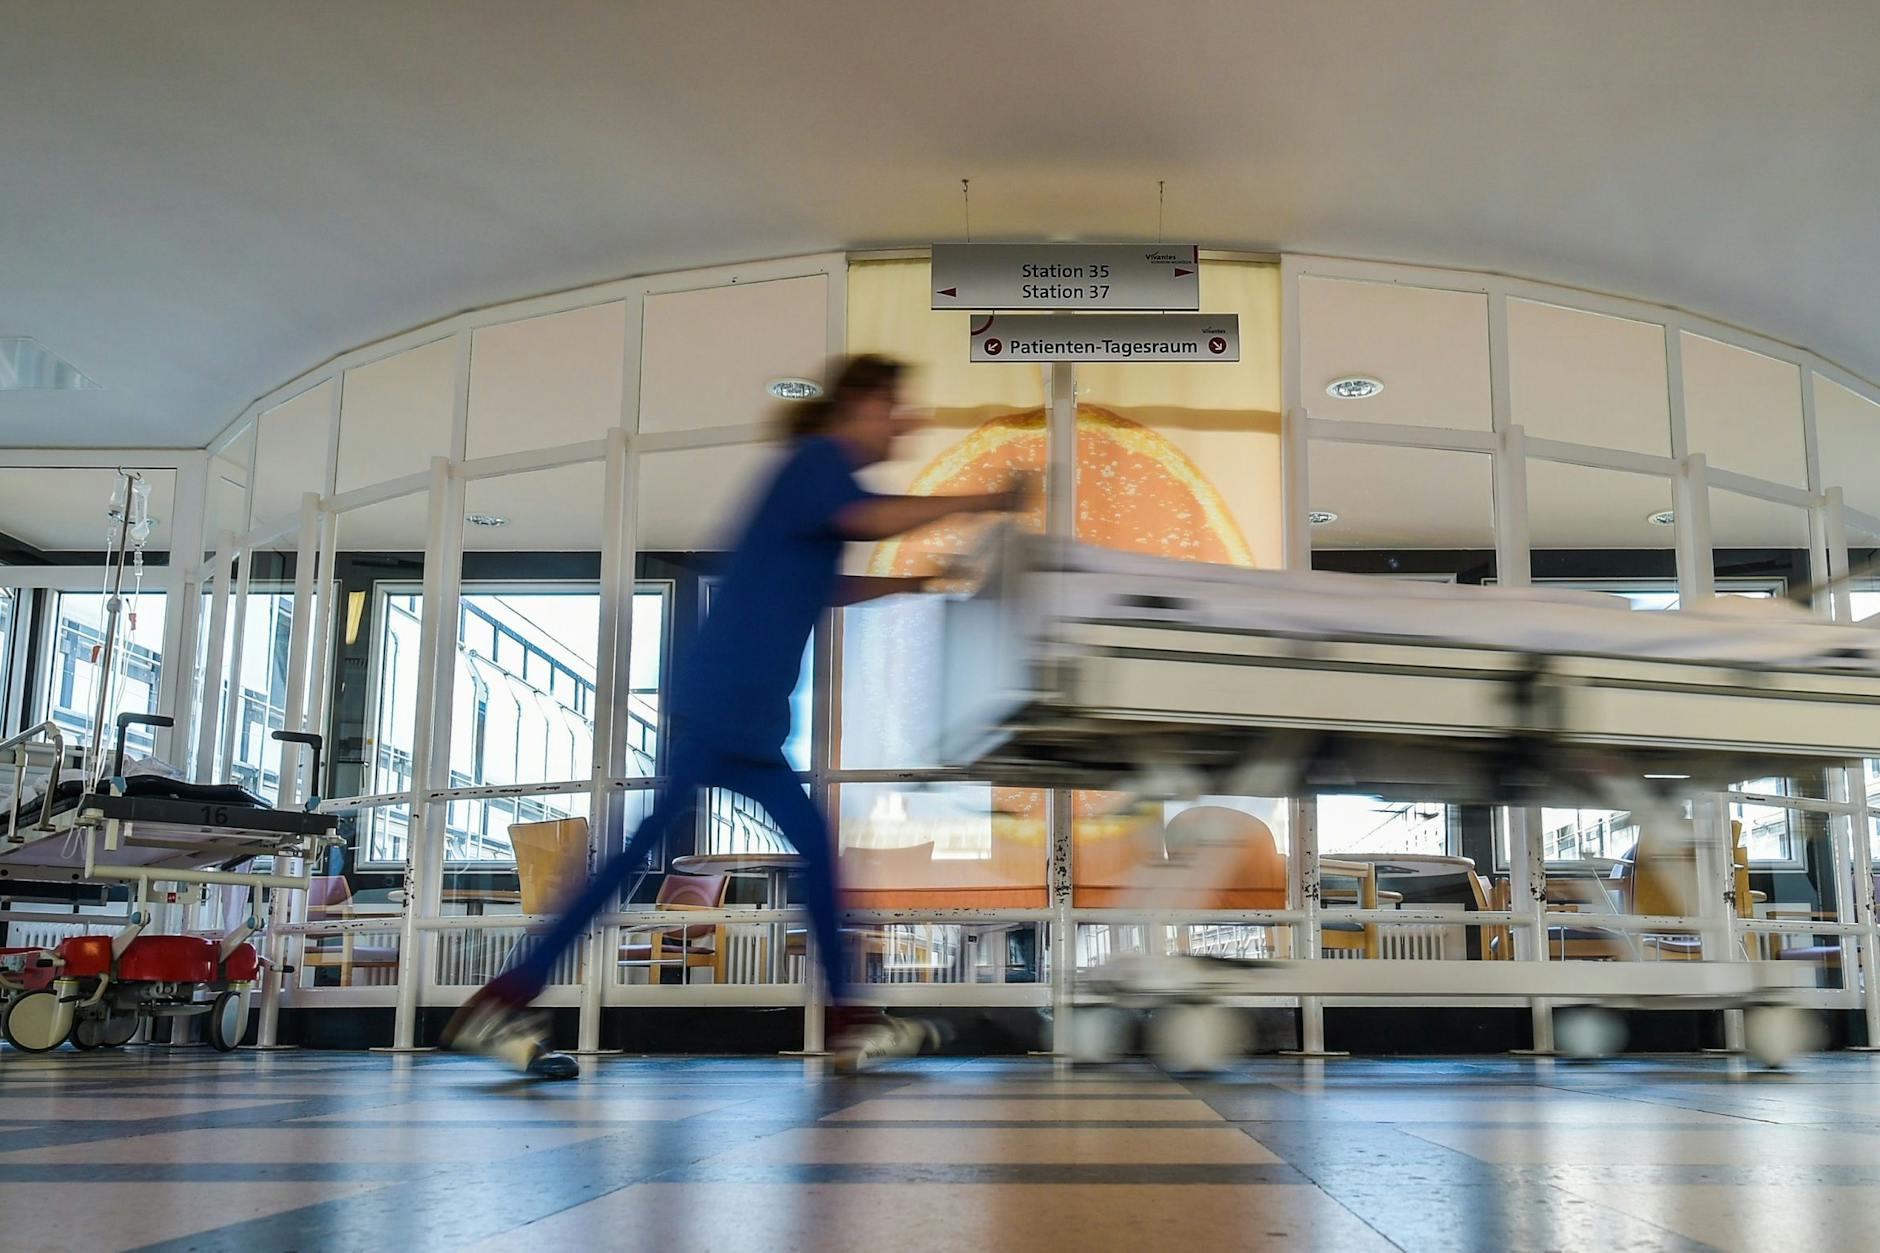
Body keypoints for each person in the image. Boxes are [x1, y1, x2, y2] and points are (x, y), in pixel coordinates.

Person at [442, 354, 1027, 1077]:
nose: (903, 422)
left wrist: (914, 577)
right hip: (728, 704)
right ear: (857, 406)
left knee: (778, 853)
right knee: (676, 854)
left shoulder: (817, 483)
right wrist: (983, 500)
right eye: (893, 407)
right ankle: (505, 994)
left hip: (746, 717)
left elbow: (826, 584)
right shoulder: (818, 460)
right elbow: (865, 518)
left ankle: (508, 996)